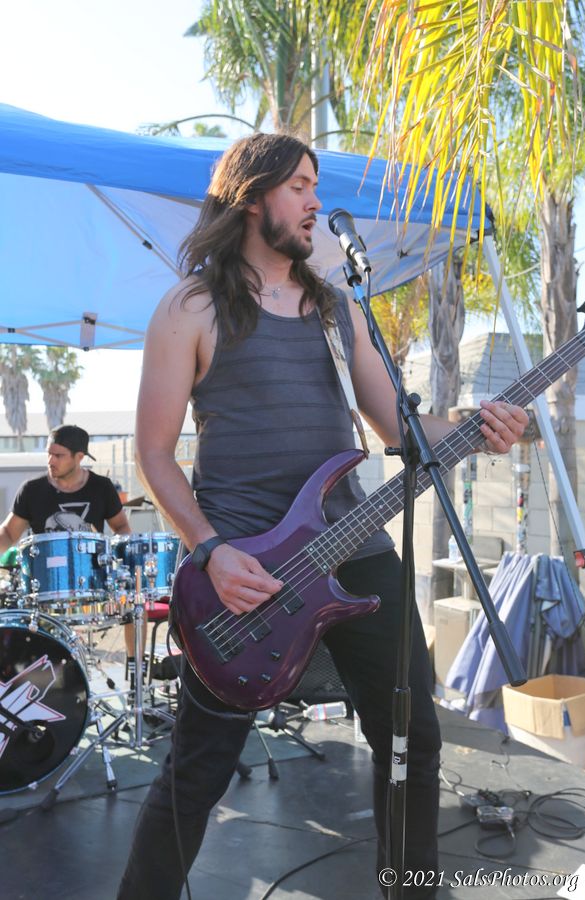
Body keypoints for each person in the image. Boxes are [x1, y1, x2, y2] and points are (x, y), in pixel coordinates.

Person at [117, 132, 528, 900]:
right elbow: (154, 453)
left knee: (412, 742)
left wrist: (481, 425)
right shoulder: (192, 307)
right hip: (246, 570)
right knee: (197, 769)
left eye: (316, 185)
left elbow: (399, 428)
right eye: (299, 186)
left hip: (356, 550)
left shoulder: (337, 309)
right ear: (251, 197)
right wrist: (209, 551)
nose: (315, 202)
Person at [0, 424, 141, 669]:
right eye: (49, 454)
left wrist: (120, 558)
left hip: (93, 582)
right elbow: (9, 533)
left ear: (79, 457)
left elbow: (121, 527)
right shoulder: (32, 490)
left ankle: (135, 667)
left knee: (135, 598)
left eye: (58, 455)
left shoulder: (101, 487)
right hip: (44, 588)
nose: (50, 461)